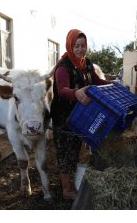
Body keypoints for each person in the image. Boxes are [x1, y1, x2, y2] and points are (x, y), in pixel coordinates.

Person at [50, 29, 111, 200]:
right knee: (64, 152)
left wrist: (113, 85)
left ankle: (70, 184)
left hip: (78, 115)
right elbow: (62, 90)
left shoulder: (86, 64)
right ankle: (67, 190)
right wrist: (75, 93)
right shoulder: (63, 67)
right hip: (63, 117)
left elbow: (96, 82)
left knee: (74, 149)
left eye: (83, 46)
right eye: (76, 46)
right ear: (70, 45)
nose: (80, 49)